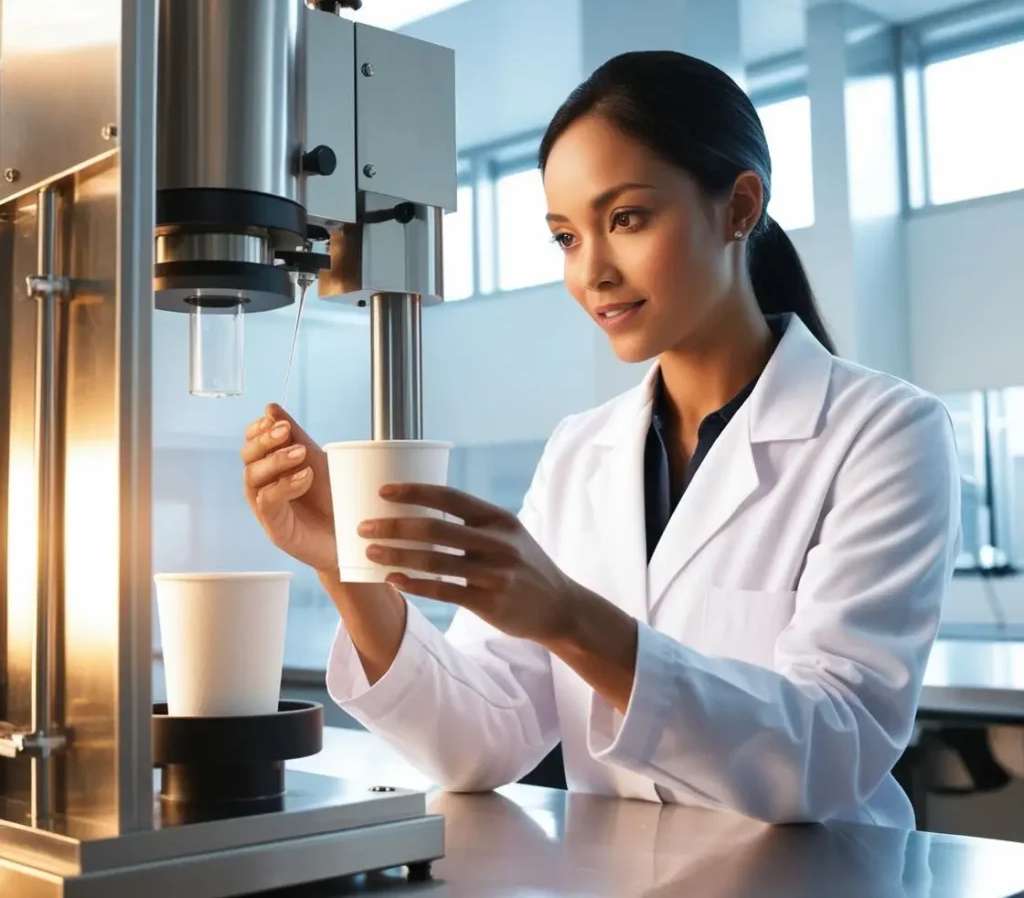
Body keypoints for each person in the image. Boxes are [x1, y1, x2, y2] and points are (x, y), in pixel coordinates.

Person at [241, 51, 960, 828]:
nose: (593, 273)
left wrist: (571, 619)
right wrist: (346, 570)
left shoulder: (885, 432)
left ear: (739, 207)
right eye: (565, 238)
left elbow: (828, 751)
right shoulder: (582, 451)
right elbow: (483, 740)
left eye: (626, 219)